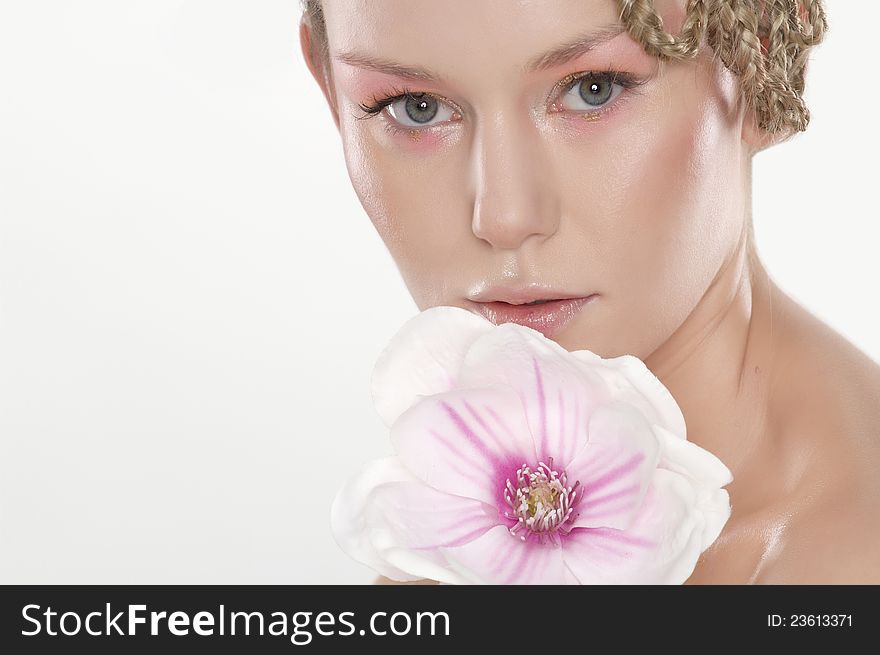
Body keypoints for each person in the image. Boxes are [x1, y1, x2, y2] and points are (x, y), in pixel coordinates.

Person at [299, 0, 880, 584]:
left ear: (763, 56)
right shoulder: (426, 545)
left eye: (593, 89)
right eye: (414, 108)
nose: (503, 217)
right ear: (330, 90)